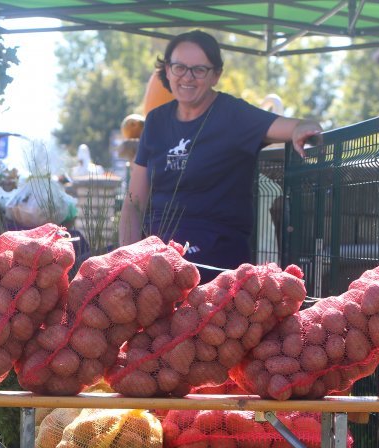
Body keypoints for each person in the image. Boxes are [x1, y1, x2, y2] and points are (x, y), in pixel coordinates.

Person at [118, 30, 322, 282]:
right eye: (179, 67)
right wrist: (125, 257)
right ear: (167, 70)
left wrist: (304, 129)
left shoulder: (233, 114)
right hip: (155, 249)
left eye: (199, 70)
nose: (187, 77)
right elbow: (133, 201)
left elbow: (295, 125)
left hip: (214, 253)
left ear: (216, 75)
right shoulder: (156, 121)